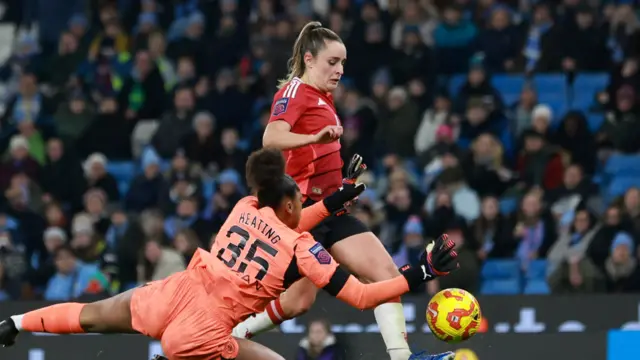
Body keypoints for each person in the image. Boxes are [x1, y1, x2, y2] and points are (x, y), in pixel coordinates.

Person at [0, 149, 459, 360]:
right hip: (203, 331)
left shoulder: (244, 207)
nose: (305, 205)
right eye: (302, 200)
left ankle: (12, 325)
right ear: (290, 205)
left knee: (92, 315)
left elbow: (291, 219)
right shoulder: (302, 251)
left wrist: (335, 200)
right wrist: (421, 270)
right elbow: (362, 296)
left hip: (174, 293)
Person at [245, 21, 452, 360]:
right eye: (332, 62)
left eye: (342, 63)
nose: (340, 70)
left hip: (331, 209)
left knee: (385, 275)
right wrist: (315, 138)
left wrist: (341, 180)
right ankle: (225, 337)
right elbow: (271, 138)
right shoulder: (294, 92)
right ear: (309, 60)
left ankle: (402, 357)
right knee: (298, 302)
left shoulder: (322, 95)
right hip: (301, 215)